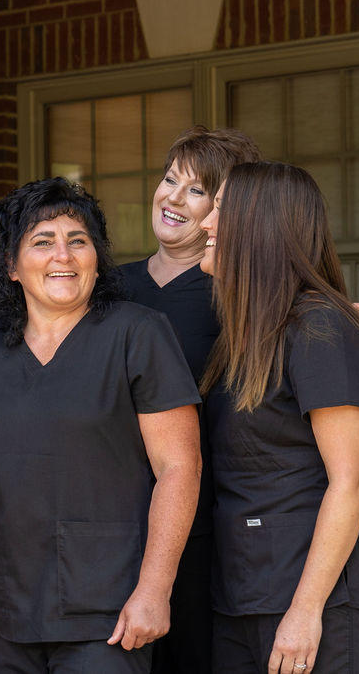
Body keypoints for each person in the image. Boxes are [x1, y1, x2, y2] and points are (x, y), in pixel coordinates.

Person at [0, 177, 202, 674]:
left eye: (78, 241)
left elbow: (180, 468)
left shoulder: (138, 334)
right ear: (11, 266)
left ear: (97, 259)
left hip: (110, 614)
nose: (64, 255)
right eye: (42, 242)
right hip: (1, 616)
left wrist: (154, 590)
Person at [198, 162, 359, 672]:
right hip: (243, 596)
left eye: (220, 209)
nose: (205, 222)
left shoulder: (321, 327)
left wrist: (306, 610)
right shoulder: (244, 337)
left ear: (258, 226)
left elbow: (351, 479)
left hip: (316, 605)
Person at [118, 126, 261, 673]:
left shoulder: (239, 297)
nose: (173, 198)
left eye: (197, 190)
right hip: (111, 517)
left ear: (224, 210)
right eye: (170, 179)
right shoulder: (106, 287)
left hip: (206, 518)